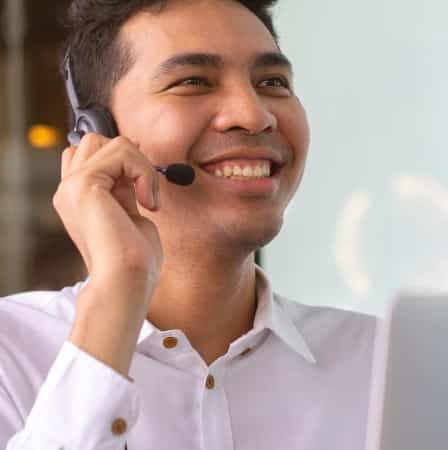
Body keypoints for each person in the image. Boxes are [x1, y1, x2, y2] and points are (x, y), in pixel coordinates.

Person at [0, 1, 377, 449]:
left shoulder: (389, 363)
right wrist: (120, 286)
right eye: (193, 82)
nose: (255, 115)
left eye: (273, 82)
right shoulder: (10, 352)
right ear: (95, 134)